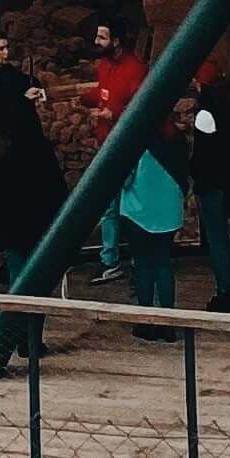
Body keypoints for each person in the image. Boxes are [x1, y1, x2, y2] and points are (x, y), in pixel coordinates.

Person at [0, 30, 61, 287]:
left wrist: (34, 91)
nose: (6, 53)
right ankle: (0, 265)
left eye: (7, 47)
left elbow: (23, 86)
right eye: (1, 48)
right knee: (1, 216)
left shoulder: (8, 74)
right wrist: (21, 100)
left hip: (20, 157)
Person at [118, 107, 190, 333]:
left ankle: (146, 322)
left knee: (143, 266)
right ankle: (168, 323)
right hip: (169, 210)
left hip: (138, 210)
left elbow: (126, 179)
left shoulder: (136, 139)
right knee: (163, 264)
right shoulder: (179, 139)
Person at [90, 16, 148, 275]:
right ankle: (109, 260)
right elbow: (102, 93)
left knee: (131, 207)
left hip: (127, 149)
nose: (96, 41)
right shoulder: (103, 65)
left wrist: (114, 115)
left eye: (101, 37)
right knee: (108, 207)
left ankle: (139, 260)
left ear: (115, 40)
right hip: (105, 146)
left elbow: (141, 108)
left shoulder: (136, 69)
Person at [180, 92, 230, 313]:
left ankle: (227, 291)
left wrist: (194, 175)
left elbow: (203, 155)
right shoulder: (229, 109)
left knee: (218, 242)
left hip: (211, 186)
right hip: (225, 183)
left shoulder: (205, 115)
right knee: (223, 241)